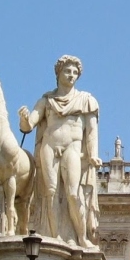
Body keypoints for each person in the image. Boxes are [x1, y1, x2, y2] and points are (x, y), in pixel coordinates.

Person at [19, 55, 101, 248]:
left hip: (73, 147)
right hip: (49, 145)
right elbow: (29, 125)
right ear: (58, 73)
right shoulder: (47, 100)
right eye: (67, 71)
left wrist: (93, 154)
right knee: (49, 192)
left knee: (73, 193)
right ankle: (53, 237)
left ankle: (81, 237)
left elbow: (91, 131)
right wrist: (23, 119)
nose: (71, 75)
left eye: (75, 72)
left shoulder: (86, 100)